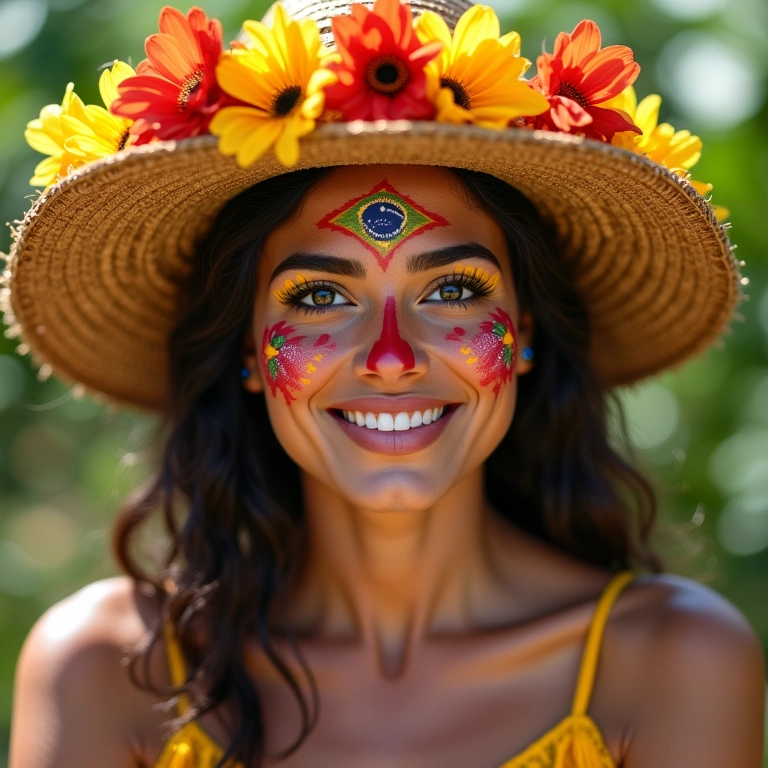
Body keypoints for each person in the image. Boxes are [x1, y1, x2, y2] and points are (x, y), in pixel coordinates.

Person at [4, 0, 765, 766]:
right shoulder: (105, 673)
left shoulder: (670, 664)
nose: (392, 357)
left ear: (525, 332)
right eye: (320, 297)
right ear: (246, 350)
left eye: (454, 290)